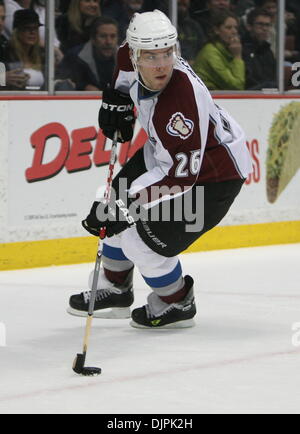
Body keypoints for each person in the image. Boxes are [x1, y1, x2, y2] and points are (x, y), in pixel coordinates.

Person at [67, 10, 252, 329]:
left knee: (141, 239)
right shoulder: (128, 51)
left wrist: (123, 207)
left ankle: (176, 300)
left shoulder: (179, 103)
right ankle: (115, 288)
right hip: (165, 153)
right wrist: (116, 100)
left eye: (168, 53)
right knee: (117, 197)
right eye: (151, 56)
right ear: (136, 53)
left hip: (212, 178)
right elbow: (123, 76)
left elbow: (179, 178)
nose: (162, 64)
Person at [56, 16, 118, 91]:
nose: (109, 42)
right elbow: (59, 83)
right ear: (93, 39)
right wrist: (83, 87)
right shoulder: (75, 57)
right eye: (103, 36)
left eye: (113, 36)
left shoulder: (128, 59)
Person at [193, 10, 245, 90]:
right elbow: (236, 86)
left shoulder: (228, 50)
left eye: (236, 28)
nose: (234, 31)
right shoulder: (211, 52)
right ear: (216, 30)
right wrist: (237, 56)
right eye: (228, 28)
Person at [3, 8, 45, 90]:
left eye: (35, 28)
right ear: (17, 31)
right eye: (27, 28)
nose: (32, 32)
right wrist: (2, 79)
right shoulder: (4, 54)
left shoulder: (43, 55)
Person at [242, 7, 276, 89]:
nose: (264, 29)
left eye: (267, 25)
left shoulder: (267, 50)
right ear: (249, 26)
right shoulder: (241, 48)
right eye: (260, 24)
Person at [177, 0, 206, 66]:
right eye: (179, 4)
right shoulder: (164, 25)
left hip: (194, 69)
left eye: (184, 4)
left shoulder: (194, 26)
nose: (182, 1)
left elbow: (202, 51)